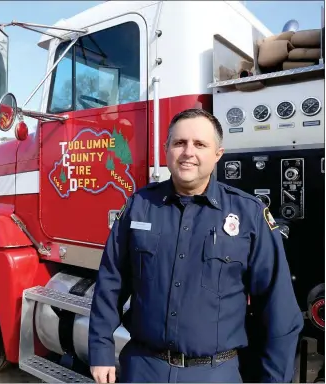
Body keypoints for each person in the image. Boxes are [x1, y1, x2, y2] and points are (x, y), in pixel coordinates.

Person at [87, 108, 304, 383]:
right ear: (166, 150)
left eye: (200, 144)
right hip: (142, 368)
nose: (188, 152)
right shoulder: (139, 206)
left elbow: (279, 308)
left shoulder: (249, 215)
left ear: (218, 154)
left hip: (215, 372)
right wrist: (100, 349)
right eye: (179, 143)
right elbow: (111, 282)